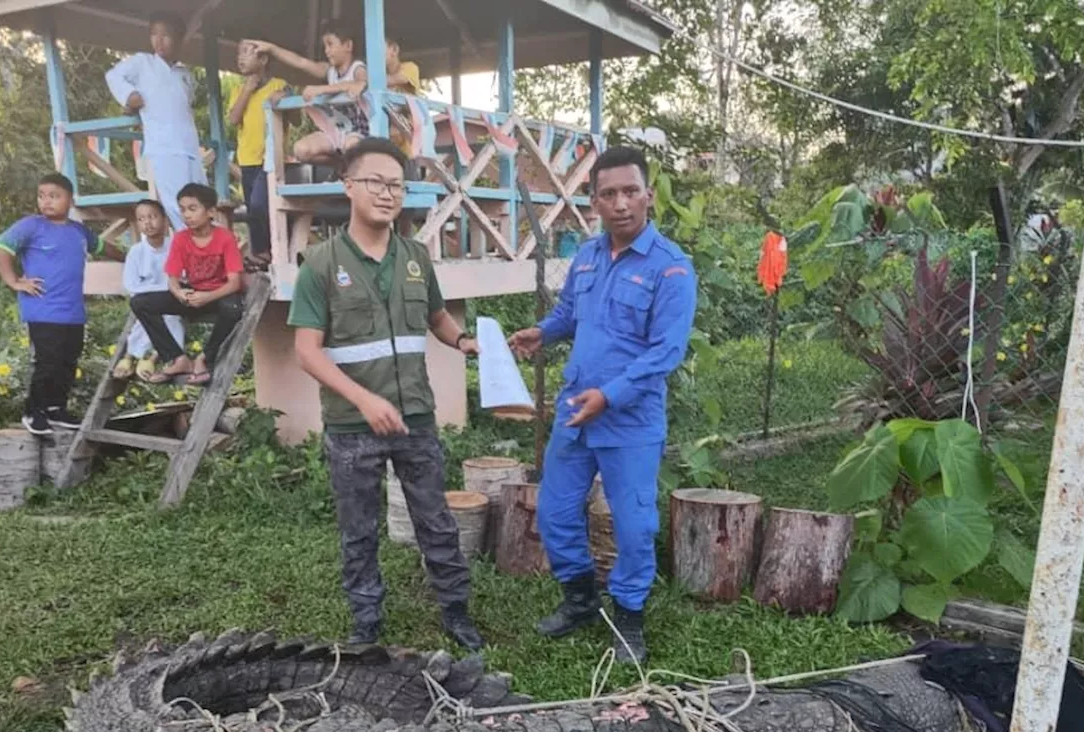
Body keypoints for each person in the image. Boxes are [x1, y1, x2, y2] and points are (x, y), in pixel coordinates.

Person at [287, 137, 484, 651]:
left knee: (435, 521)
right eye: (375, 181)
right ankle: (367, 623)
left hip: (416, 416)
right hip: (354, 428)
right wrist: (365, 401)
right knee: (360, 530)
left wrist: (463, 341)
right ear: (348, 186)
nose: (387, 193)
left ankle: (457, 613)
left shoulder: (416, 256)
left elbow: (437, 317)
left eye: (396, 184)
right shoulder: (321, 265)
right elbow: (307, 351)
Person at [507, 146, 697, 664]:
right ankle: (581, 601)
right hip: (575, 411)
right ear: (594, 202)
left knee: (635, 525)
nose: (620, 204)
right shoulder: (589, 256)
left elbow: (666, 352)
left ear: (648, 197)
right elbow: (571, 312)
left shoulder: (672, 270)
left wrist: (609, 395)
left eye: (630, 191)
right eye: (608, 194)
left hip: (629, 420)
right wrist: (542, 332)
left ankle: (629, 615)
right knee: (554, 511)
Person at [0, 173, 125, 436]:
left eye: (54, 196)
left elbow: (103, 247)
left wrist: (130, 256)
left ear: (69, 200)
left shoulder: (78, 231)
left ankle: (56, 409)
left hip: (73, 312)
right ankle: (34, 411)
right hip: (43, 309)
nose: (47, 201)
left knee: (68, 361)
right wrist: (14, 281)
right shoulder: (31, 226)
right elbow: (1, 246)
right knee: (47, 362)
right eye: (42, 196)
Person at [131, 184, 244, 386]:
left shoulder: (224, 237)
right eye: (182, 209)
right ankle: (177, 358)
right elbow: (172, 278)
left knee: (233, 307)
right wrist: (180, 294)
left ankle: (205, 358)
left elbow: (235, 283)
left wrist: (207, 297)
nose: (187, 215)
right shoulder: (181, 238)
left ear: (210, 212)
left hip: (218, 296)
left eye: (193, 209)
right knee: (140, 303)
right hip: (192, 294)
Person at [105, 13, 205, 231]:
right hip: (164, 147)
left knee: (202, 202)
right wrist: (129, 96)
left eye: (166, 35)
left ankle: (204, 251)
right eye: (154, 35)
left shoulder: (183, 73)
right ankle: (188, 253)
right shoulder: (143, 63)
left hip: (189, 146)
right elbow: (113, 76)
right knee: (179, 205)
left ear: (178, 39)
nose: (159, 41)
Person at [245, 26, 367, 164]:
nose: (326, 51)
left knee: (350, 147)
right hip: (337, 130)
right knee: (301, 150)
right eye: (325, 46)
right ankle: (340, 165)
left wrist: (322, 89)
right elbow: (300, 62)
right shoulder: (329, 71)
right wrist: (272, 49)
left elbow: (360, 83)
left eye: (330, 44)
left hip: (359, 133)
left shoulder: (358, 68)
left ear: (348, 45)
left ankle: (351, 171)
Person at [227, 40, 288, 269]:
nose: (240, 58)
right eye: (238, 53)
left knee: (261, 204)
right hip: (247, 158)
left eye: (246, 53)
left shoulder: (279, 85)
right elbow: (233, 119)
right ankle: (261, 253)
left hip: (270, 158)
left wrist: (283, 97)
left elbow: (295, 118)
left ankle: (272, 250)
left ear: (263, 59)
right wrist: (248, 89)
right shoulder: (237, 90)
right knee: (253, 209)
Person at [115, 199, 185, 380]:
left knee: (170, 318)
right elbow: (131, 285)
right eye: (141, 219)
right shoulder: (136, 251)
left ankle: (149, 356)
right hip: (147, 298)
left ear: (164, 219)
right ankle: (134, 354)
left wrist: (171, 287)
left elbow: (183, 277)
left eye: (152, 217)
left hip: (173, 298)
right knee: (144, 313)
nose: (147, 222)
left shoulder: (176, 246)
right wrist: (164, 287)